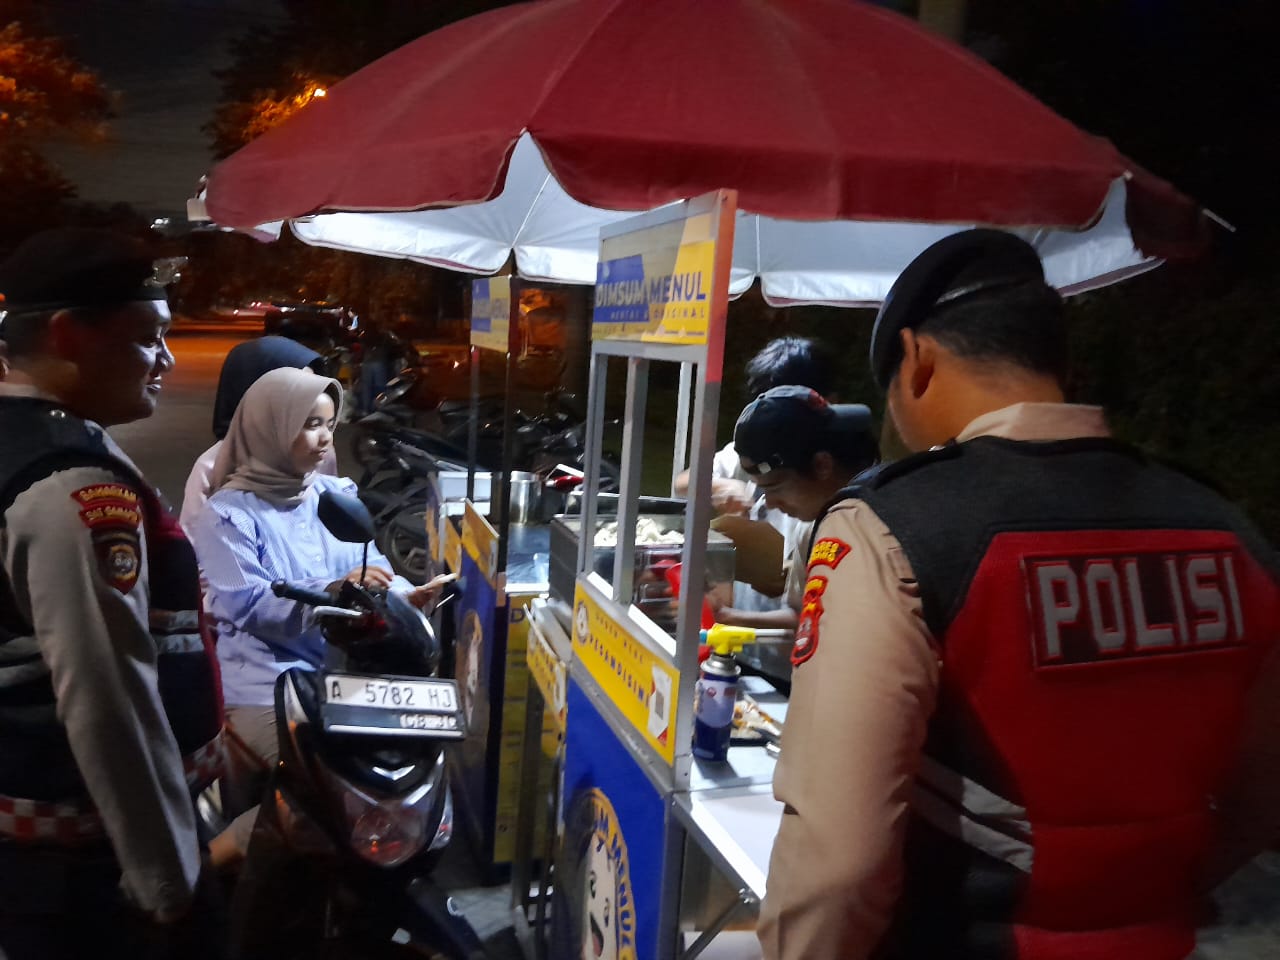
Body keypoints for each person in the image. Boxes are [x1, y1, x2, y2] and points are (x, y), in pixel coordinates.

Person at [758, 229, 1280, 960]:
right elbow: (1260, 803)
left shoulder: (894, 527)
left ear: (917, 359)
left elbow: (837, 864)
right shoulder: (1228, 530)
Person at [0, 228, 225, 959]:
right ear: (69, 335)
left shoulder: (31, 441)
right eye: (148, 338)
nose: (166, 359)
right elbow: (108, 697)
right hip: (85, 861)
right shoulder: (68, 482)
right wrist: (169, 883)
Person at [189, 367, 438, 861]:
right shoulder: (229, 514)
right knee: (330, 789)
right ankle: (212, 865)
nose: (325, 438)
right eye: (309, 425)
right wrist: (330, 591)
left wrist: (406, 595)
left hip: (344, 674)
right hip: (267, 682)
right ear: (270, 429)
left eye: (329, 424)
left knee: (395, 770)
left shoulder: (333, 495)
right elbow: (249, 604)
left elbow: (374, 567)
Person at [674, 337, 840, 612]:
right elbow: (683, 483)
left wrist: (791, 576)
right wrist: (719, 486)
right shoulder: (753, 450)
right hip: (746, 624)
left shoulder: (835, 482)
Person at [715, 385, 878, 632]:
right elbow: (800, 612)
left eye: (774, 487)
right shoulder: (809, 529)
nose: (769, 503)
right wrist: (728, 616)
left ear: (822, 465)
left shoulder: (886, 524)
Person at [178, 335, 335, 534]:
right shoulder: (211, 467)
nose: (308, 400)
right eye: (296, 389)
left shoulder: (321, 453)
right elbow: (193, 540)